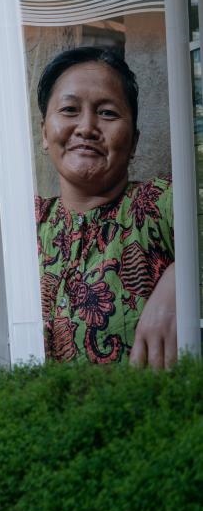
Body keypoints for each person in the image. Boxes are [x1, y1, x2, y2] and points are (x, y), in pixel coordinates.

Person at [35, 46, 176, 367]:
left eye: (108, 113)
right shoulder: (25, 226)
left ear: (134, 141)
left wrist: (182, 280)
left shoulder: (162, 203)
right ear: (44, 132)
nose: (86, 127)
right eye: (69, 109)